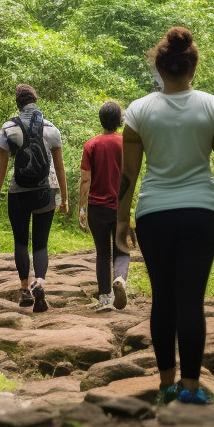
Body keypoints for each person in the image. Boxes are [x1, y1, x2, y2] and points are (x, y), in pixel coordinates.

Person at [117, 27, 214, 406]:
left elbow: (128, 174)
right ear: (193, 67)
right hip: (202, 213)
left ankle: (166, 384)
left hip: (154, 213)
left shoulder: (139, 111)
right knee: (191, 300)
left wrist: (122, 220)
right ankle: (191, 388)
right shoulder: (213, 107)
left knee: (163, 300)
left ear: (160, 68)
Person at [0, 84, 68, 313]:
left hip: (19, 192)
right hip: (45, 192)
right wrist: (65, 198)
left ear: (18, 103)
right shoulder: (51, 128)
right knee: (41, 244)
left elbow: (2, 168)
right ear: (36, 100)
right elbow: (60, 167)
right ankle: (40, 282)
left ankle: (25, 290)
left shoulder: (8, 128)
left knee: (21, 242)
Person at [78, 100, 130, 312]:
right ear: (119, 120)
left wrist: (82, 208)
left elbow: (85, 179)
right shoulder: (126, 143)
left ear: (101, 120)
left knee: (102, 253)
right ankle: (120, 278)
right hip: (119, 206)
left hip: (97, 208)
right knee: (122, 250)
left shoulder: (91, 144)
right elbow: (130, 177)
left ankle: (104, 298)